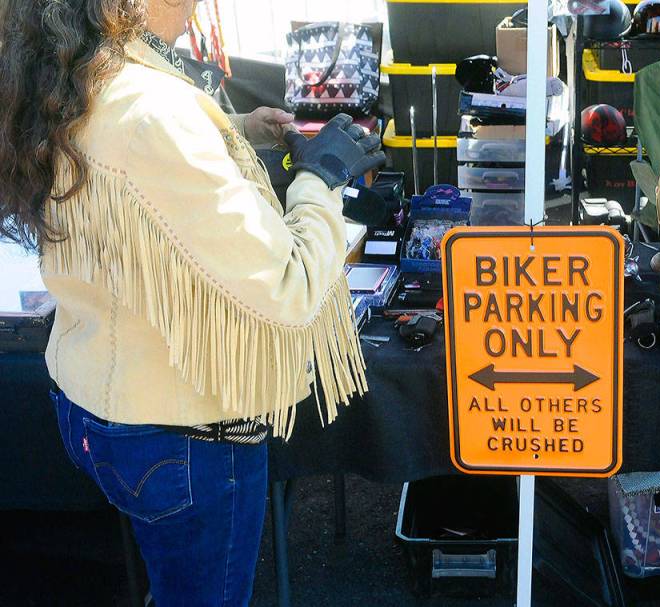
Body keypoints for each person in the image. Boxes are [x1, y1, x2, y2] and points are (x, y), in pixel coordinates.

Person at [0, 1, 384, 605]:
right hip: (181, 439)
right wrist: (322, 179)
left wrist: (234, 129)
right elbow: (288, 290)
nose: (196, 9)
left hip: (93, 405)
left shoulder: (71, 76)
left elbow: (139, 160)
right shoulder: (155, 114)